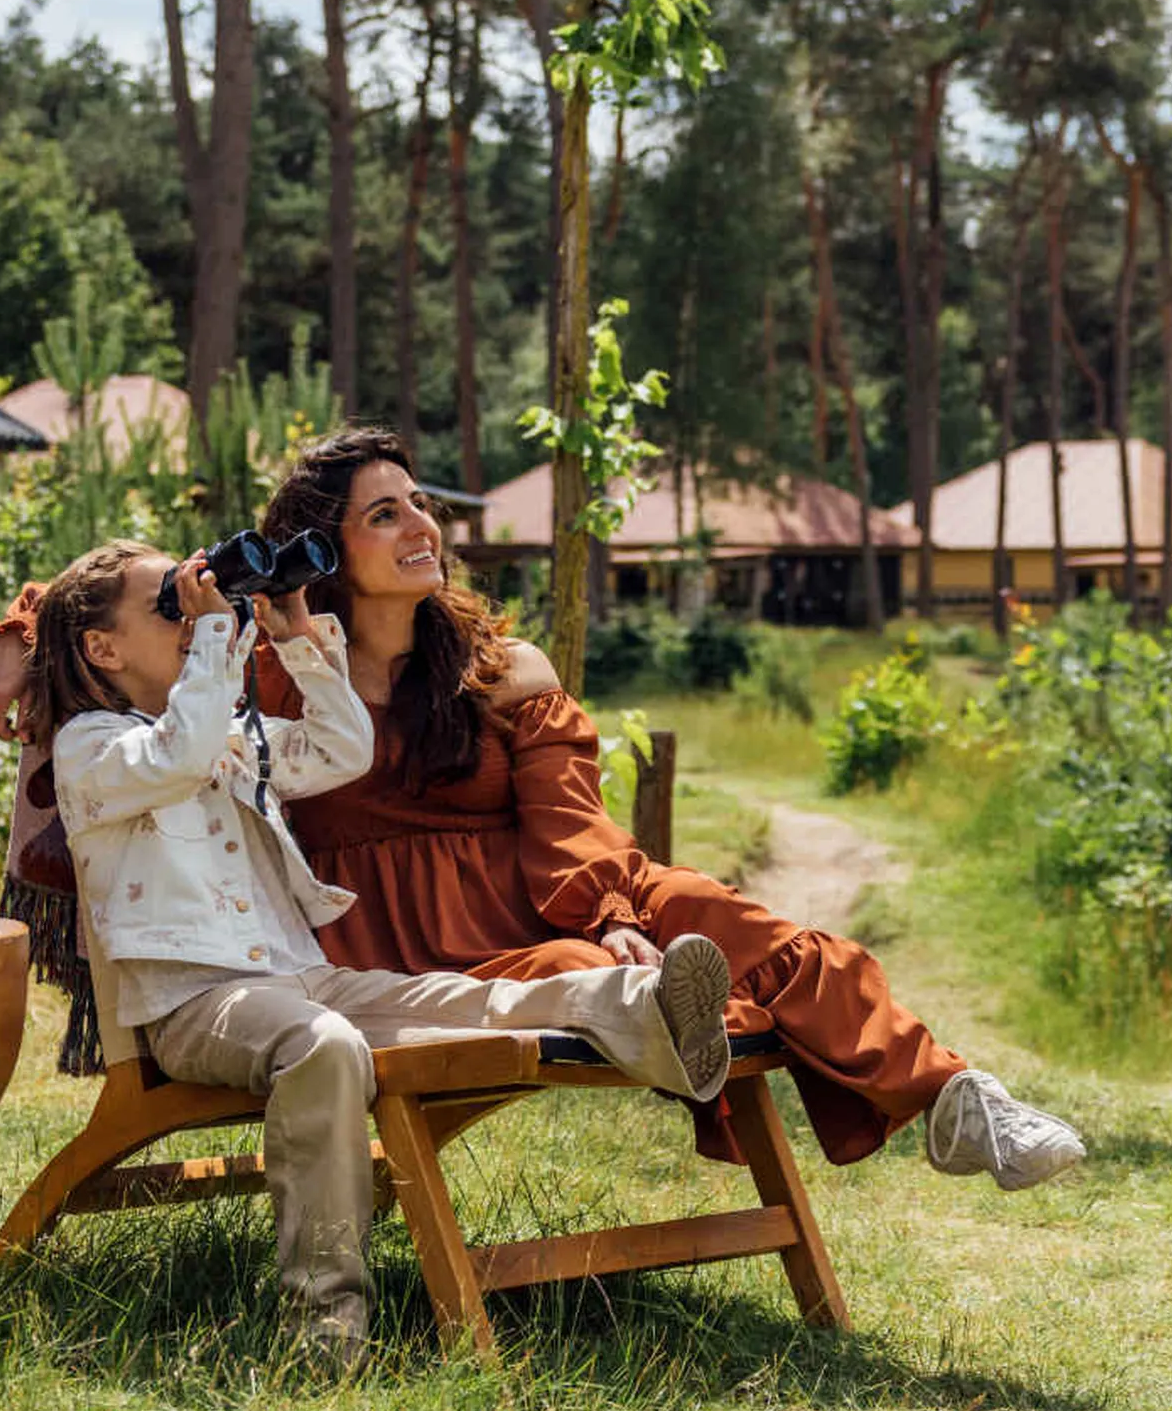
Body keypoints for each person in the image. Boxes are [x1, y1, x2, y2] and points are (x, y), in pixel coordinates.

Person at [251, 426, 1083, 1191]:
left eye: (421, 506)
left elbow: (566, 814)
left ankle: (956, 1098)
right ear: (323, 549)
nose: (421, 528)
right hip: (399, 946)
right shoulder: (276, 678)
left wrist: (609, 907)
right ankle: (707, 1012)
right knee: (589, 975)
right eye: (385, 516)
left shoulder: (502, 669)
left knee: (705, 910)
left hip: (541, 891)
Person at [25, 538, 739, 1369]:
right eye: (168, 605)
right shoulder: (92, 748)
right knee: (321, 1046)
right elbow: (175, 754)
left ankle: (652, 1018)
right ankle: (324, 1327)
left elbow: (340, 751)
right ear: (101, 649)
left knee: (463, 1001)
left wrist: (294, 636)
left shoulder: (219, 733)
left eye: (190, 602)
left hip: (296, 978)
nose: (190, 616)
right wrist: (220, 635)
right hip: (193, 1005)